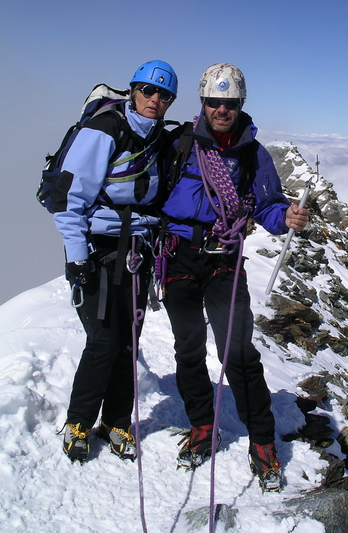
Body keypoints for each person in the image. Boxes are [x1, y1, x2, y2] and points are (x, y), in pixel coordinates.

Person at [159, 63, 309, 492]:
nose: (221, 109)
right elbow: (149, 193)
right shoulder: (180, 144)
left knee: (238, 352)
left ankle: (261, 439)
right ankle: (203, 425)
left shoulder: (252, 153)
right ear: (202, 103)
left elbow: (268, 206)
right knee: (188, 349)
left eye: (230, 103)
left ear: (241, 105)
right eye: (214, 102)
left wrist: (287, 217)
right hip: (180, 257)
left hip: (224, 257)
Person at [53, 59, 178, 463]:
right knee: (104, 340)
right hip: (98, 248)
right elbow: (68, 199)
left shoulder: (160, 138)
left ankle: (118, 420)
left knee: (128, 341)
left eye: (164, 95)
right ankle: (79, 421)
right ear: (132, 91)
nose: (154, 100)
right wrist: (77, 257)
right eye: (147, 91)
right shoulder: (105, 130)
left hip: (137, 251)